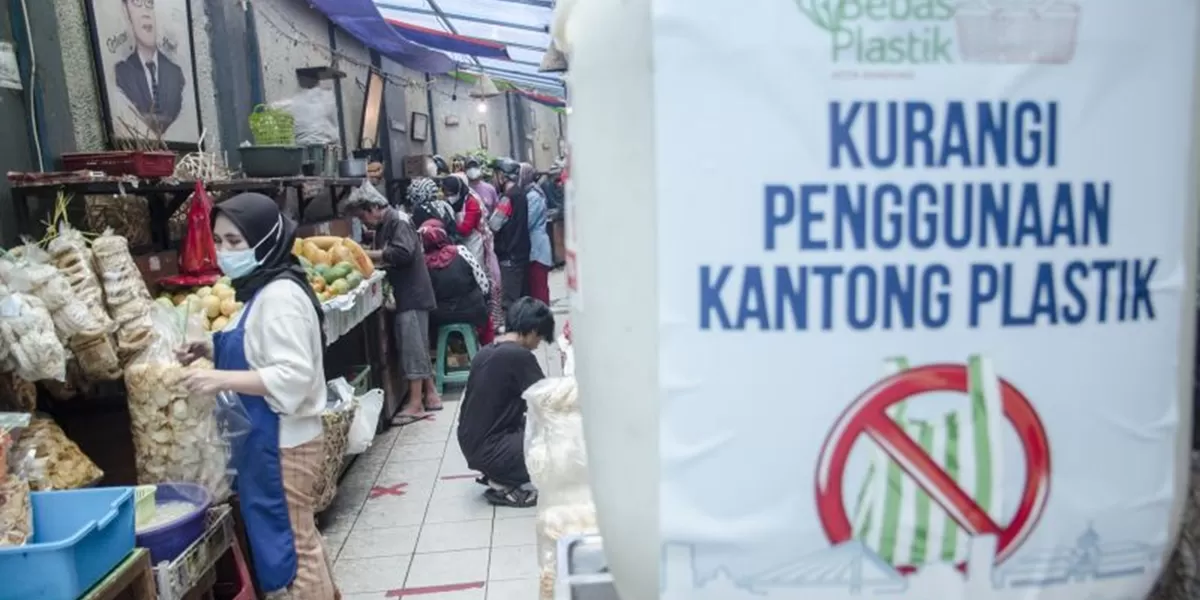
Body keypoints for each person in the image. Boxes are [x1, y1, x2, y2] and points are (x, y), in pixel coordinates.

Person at [177, 193, 338, 599]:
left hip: (285, 443)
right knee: (300, 540)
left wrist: (220, 379)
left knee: (295, 551)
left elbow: (293, 375)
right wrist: (211, 349)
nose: (226, 251)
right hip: (275, 439)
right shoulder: (265, 288)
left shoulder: (280, 298)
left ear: (265, 239)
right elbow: (260, 349)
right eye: (220, 240)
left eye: (236, 241)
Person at [344, 185, 443, 422]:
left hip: (411, 293)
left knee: (412, 347)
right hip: (412, 293)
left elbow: (403, 253)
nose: (364, 223)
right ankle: (431, 395)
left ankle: (416, 404)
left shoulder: (397, 221)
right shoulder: (387, 223)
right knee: (417, 344)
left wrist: (365, 255)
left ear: (375, 208)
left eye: (362, 216)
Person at [457, 297, 556, 508]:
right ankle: (504, 481)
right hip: (492, 448)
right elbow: (549, 400)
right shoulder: (518, 356)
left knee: (530, 425)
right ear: (531, 330)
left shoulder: (486, 350)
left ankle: (498, 474)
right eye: (540, 337)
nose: (539, 344)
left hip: (472, 442)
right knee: (556, 439)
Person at [441, 174, 502, 332]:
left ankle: (487, 321)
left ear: (458, 190)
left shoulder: (472, 201)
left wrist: (451, 227)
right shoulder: (455, 202)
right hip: (463, 243)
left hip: (474, 243)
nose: (449, 197)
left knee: (478, 277)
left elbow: (466, 228)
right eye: (446, 194)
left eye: (451, 193)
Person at [115, 0, 185, 134]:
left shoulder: (175, 73)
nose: (146, 13)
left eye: (150, 3)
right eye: (137, 3)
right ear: (126, 10)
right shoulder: (122, 73)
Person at [419, 219, 493, 344]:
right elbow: (484, 285)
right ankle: (487, 352)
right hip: (472, 314)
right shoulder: (461, 251)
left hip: (439, 319)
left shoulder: (422, 263)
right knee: (487, 317)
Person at [466, 157, 505, 328]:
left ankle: (495, 320)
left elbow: (497, 212)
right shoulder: (465, 191)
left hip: (489, 238)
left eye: (474, 167)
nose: (472, 170)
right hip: (473, 242)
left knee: (494, 278)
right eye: (469, 167)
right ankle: (486, 323)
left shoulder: (489, 189)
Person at [518, 163, 554, 304]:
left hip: (537, 249)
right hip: (535, 248)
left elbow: (528, 221)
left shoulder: (533, 196)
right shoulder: (530, 192)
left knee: (539, 289)